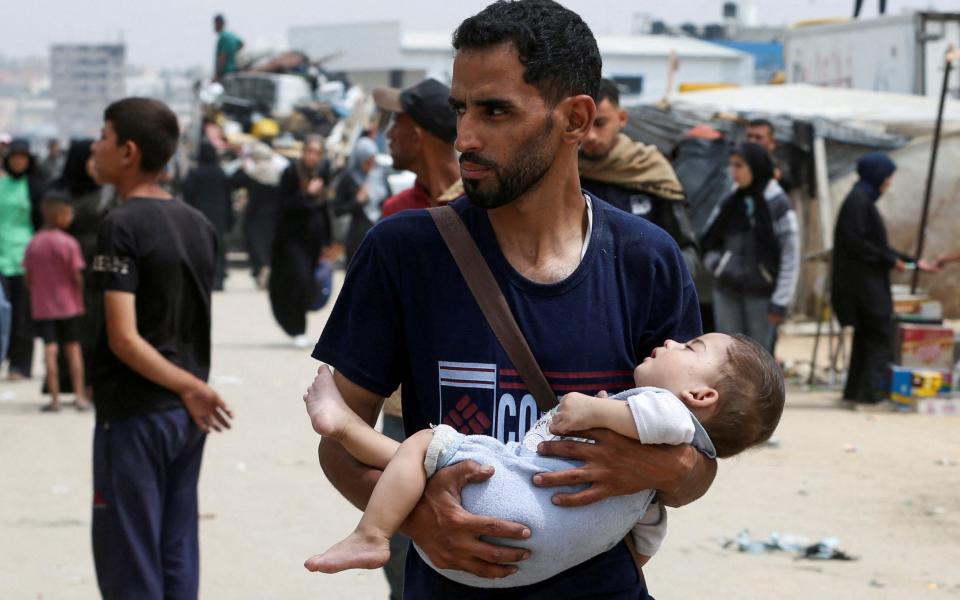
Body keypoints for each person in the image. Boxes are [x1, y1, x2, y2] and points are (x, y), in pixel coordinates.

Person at [311, 2, 714, 598]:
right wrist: (422, 519)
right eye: (460, 109)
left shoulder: (645, 259)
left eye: (495, 110)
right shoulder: (405, 251)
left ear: (576, 117)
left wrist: (659, 467)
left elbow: (699, 461)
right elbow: (337, 443)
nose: (465, 137)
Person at [305, 332, 783, 585]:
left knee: (424, 446)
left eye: (692, 346)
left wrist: (590, 408)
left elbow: (675, 433)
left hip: (498, 505)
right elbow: (643, 548)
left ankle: (368, 522)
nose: (676, 341)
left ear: (700, 395)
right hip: (526, 561)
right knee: (429, 455)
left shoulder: (664, 409)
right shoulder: (649, 500)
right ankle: (345, 430)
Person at [89, 97, 233, 599]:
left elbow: (124, 338)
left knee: (129, 560)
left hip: (137, 412)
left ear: (128, 151)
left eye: (103, 137)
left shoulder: (120, 225)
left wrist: (189, 386)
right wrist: (192, 387)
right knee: (176, 554)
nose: (95, 146)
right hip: (184, 417)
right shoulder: (199, 224)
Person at [372, 76, 462, 598]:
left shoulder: (486, 210)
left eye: (397, 122)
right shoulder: (397, 213)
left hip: (465, 406)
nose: (389, 132)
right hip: (402, 407)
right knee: (402, 551)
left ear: (423, 132)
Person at [831, 153, 933, 404]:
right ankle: (871, 393)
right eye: (887, 177)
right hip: (865, 286)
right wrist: (890, 260)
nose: (888, 183)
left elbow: (877, 245)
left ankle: (856, 392)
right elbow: (857, 243)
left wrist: (911, 261)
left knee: (867, 337)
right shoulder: (858, 202)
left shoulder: (861, 200)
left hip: (866, 284)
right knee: (878, 336)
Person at [578, 79, 700, 273]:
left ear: (622, 118)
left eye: (600, 123)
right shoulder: (565, 173)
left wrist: (670, 287)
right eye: (584, 124)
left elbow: (684, 246)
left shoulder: (650, 168)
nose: (591, 135)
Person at [701, 143, 799, 352]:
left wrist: (780, 300)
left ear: (755, 166)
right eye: (732, 165)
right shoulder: (732, 199)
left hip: (762, 296)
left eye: (739, 166)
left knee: (759, 359)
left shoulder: (777, 202)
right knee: (729, 356)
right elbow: (710, 237)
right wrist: (717, 265)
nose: (733, 172)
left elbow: (790, 255)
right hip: (727, 291)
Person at [22, 191, 88, 412]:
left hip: (43, 306)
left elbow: (28, 278)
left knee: (50, 351)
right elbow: (77, 274)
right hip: (69, 305)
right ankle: (79, 396)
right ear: (59, 216)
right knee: (73, 349)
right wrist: (80, 293)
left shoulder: (34, 243)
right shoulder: (69, 243)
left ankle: (55, 399)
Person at [59, 139, 115, 395]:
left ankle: (93, 380)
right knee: (72, 322)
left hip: (100, 264)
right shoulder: (61, 191)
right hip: (68, 264)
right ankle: (72, 379)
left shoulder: (108, 191)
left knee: (98, 322)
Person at [270, 135, 330, 348]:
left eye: (317, 153)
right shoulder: (291, 173)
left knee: (307, 285)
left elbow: (324, 209)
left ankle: (298, 325)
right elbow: (284, 207)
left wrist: (328, 241)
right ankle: (298, 328)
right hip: (291, 239)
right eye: (310, 151)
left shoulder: (322, 173)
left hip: (312, 241)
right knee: (299, 280)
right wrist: (307, 194)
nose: (312, 157)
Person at [374, 78, 461, 218]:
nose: (389, 135)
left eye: (396, 123)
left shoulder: (487, 206)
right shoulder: (395, 211)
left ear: (416, 136)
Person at [0, 138, 43, 380]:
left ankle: (20, 365)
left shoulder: (35, 187)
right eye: (14, 157)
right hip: (1, 257)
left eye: (22, 157)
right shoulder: (1, 184)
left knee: (22, 314)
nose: (17, 161)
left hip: (25, 258)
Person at [229, 142, 286, 287]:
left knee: (254, 243)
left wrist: (242, 166)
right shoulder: (278, 172)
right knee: (268, 244)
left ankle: (262, 268)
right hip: (273, 216)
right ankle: (267, 269)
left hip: (255, 216)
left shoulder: (254, 173)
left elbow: (234, 181)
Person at [182, 142, 233, 290]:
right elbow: (228, 197)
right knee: (219, 247)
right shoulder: (220, 173)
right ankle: (219, 278)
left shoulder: (195, 173)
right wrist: (229, 217)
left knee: (200, 247)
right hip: (218, 215)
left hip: (198, 216)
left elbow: (187, 193)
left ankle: (203, 278)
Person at [334, 137, 385, 265]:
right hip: (357, 238)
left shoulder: (378, 174)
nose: (371, 165)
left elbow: (388, 199)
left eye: (373, 160)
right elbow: (337, 209)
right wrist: (357, 201)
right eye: (367, 161)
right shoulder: (348, 178)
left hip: (379, 233)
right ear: (359, 159)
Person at [745, 118, 793, 193]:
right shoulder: (738, 161)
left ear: (772, 142)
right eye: (749, 136)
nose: (752, 141)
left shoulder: (780, 164)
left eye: (758, 137)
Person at [213, 14, 244, 81]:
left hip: (226, 72)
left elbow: (222, 57)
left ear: (218, 24)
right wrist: (233, 52)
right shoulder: (231, 35)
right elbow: (241, 44)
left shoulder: (223, 37)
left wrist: (217, 75)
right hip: (234, 69)